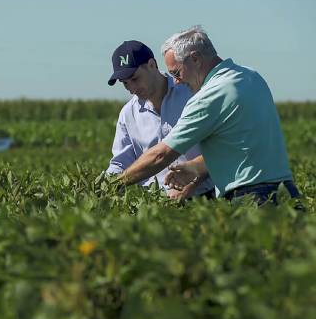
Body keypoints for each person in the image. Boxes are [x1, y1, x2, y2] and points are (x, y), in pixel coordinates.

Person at [115, 26, 301, 205]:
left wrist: (114, 184)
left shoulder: (209, 96)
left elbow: (161, 156)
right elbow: (238, 147)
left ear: (195, 59)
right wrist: (196, 169)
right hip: (286, 192)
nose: (177, 82)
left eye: (177, 73)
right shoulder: (251, 77)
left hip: (252, 198)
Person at [106, 40, 214, 199]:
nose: (132, 89)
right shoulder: (128, 114)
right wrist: (102, 186)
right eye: (125, 84)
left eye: (135, 79)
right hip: (155, 204)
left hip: (205, 197)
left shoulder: (191, 94)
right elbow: (120, 164)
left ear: (152, 65)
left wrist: (193, 182)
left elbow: (220, 147)